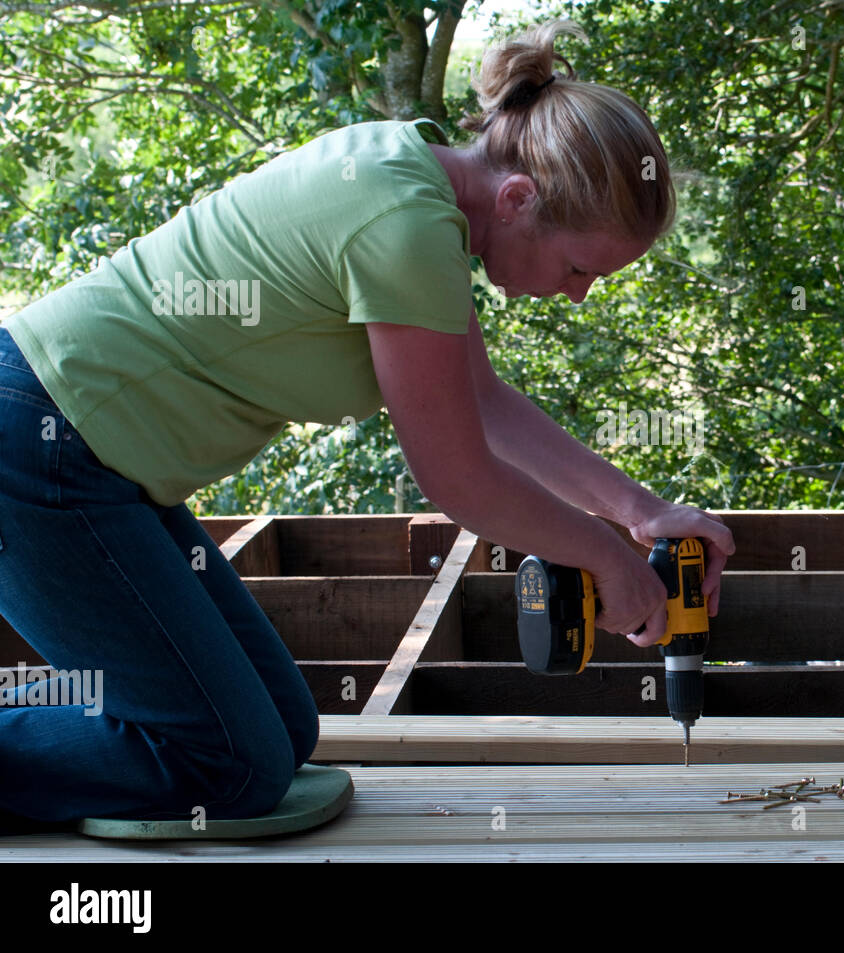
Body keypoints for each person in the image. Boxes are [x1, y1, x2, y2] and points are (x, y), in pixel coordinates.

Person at [0, 17, 734, 826]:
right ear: (519, 198)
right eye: (578, 267)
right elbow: (458, 478)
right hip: (41, 449)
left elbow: (482, 405)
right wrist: (603, 556)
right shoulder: (408, 226)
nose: (577, 293)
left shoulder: (413, 181)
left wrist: (638, 512)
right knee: (229, 761)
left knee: (281, 726)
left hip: (87, 457)